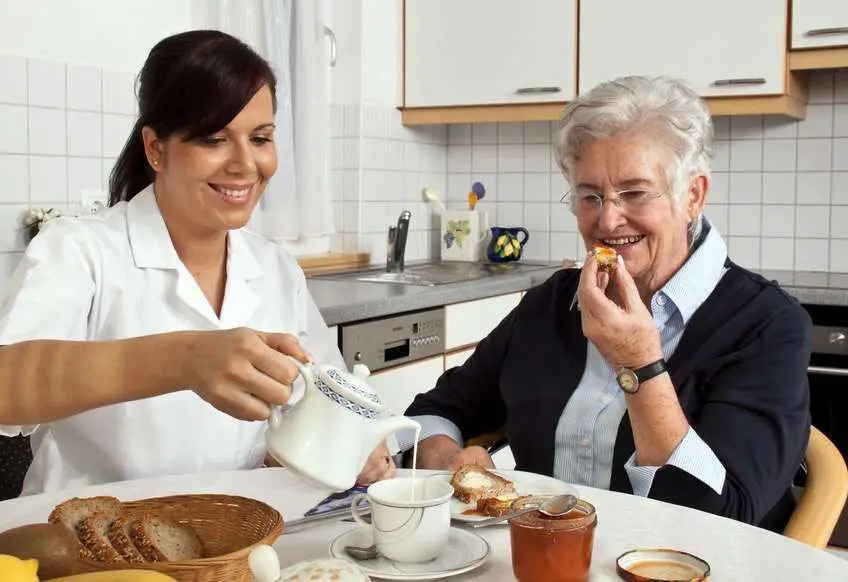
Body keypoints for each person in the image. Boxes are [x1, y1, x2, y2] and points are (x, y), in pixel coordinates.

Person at [401, 75, 812, 531]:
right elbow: (433, 412)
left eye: (634, 192)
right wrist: (448, 463)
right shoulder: (550, 305)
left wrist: (638, 363)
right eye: (590, 195)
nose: (608, 219)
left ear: (692, 195)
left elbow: (722, 521)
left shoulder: (768, 324)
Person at [0, 30, 394, 496]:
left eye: (261, 138)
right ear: (155, 149)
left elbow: (322, 395)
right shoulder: (82, 251)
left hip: (239, 537)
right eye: (214, 139)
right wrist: (185, 359)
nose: (246, 164)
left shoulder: (274, 268)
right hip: (93, 545)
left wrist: (357, 443)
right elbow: (8, 388)